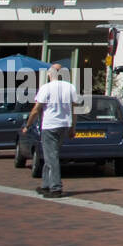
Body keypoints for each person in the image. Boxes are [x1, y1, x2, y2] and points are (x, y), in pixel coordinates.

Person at [22, 64, 77, 198]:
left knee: (51, 157)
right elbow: (74, 109)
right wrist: (72, 127)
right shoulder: (70, 87)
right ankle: (46, 185)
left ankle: (56, 188)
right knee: (50, 155)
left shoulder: (46, 88)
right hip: (63, 125)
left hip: (50, 125)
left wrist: (27, 125)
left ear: (50, 74)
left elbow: (36, 109)